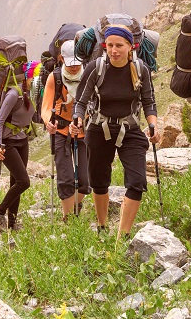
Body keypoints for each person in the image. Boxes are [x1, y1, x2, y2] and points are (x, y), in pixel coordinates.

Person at [70, 26, 161, 237]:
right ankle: (102, 227)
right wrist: (77, 120)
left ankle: (123, 235)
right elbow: (81, 102)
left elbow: (149, 102)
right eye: (109, 45)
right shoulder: (96, 68)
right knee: (99, 182)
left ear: (131, 46)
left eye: (119, 45)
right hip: (99, 129)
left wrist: (153, 126)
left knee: (137, 182)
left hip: (130, 129)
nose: (113, 50)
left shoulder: (141, 69)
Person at [41, 40, 91, 220]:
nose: (74, 67)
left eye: (77, 63)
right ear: (61, 59)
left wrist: (80, 122)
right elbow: (46, 106)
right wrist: (48, 122)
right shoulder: (54, 77)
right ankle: (68, 219)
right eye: (70, 64)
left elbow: (94, 104)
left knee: (85, 182)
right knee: (65, 178)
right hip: (61, 131)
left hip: (83, 131)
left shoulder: (88, 75)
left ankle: (76, 205)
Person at [0, 63, 39, 232]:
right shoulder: (13, 95)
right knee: (24, 182)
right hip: (8, 142)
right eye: (37, 76)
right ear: (28, 77)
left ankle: (12, 223)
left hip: (23, 140)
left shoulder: (36, 93)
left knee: (16, 181)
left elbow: (35, 116)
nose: (39, 80)